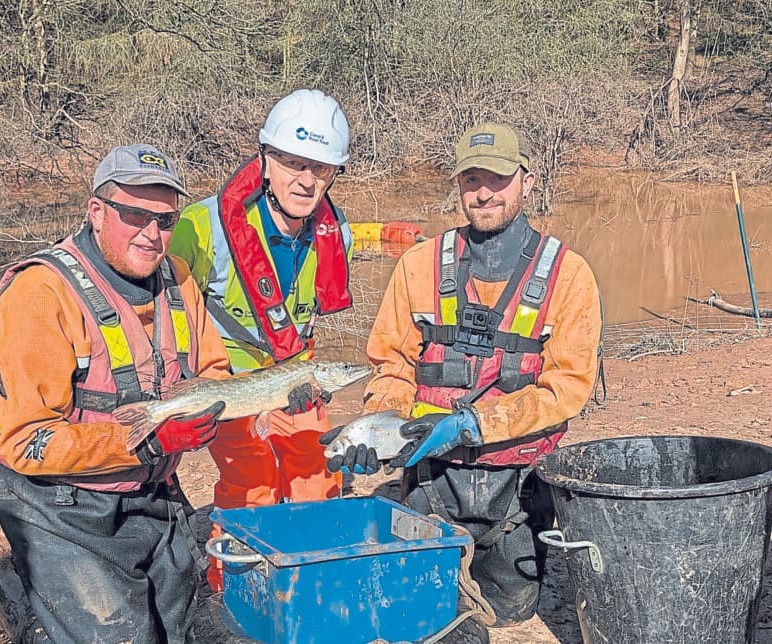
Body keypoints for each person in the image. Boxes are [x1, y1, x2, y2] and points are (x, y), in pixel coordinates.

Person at [326, 122, 603, 642]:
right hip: (432, 478)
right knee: (427, 614)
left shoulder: (569, 275)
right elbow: (391, 367)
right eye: (471, 179)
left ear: (528, 181)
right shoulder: (417, 266)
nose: (483, 193)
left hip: (519, 486)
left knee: (512, 612)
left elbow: (568, 388)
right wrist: (377, 429)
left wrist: (471, 424)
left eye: (497, 179)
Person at [0, 144, 231, 643]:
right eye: (135, 214)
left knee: (173, 626)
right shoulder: (39, 294)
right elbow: (27, 441)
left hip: (148, 489)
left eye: (165, 220)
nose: (151, 234)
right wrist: (152, 441)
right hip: (53, 500)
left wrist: (254, 402)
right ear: (96, 211)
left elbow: (215, 371)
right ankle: (36, 608)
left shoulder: (177, 278)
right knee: (121, 635)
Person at [169, 89, 354, 590]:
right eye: (293, 162)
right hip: (225, 379)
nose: (307, 179)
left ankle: (310, 573)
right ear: (265, 160)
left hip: (294, 374)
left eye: (321, 167)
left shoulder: (338, 236)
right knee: (252, 482)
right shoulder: (199, 227)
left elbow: (308, 321)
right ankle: (231, 583)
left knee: (316, 472)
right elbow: (160, 308)